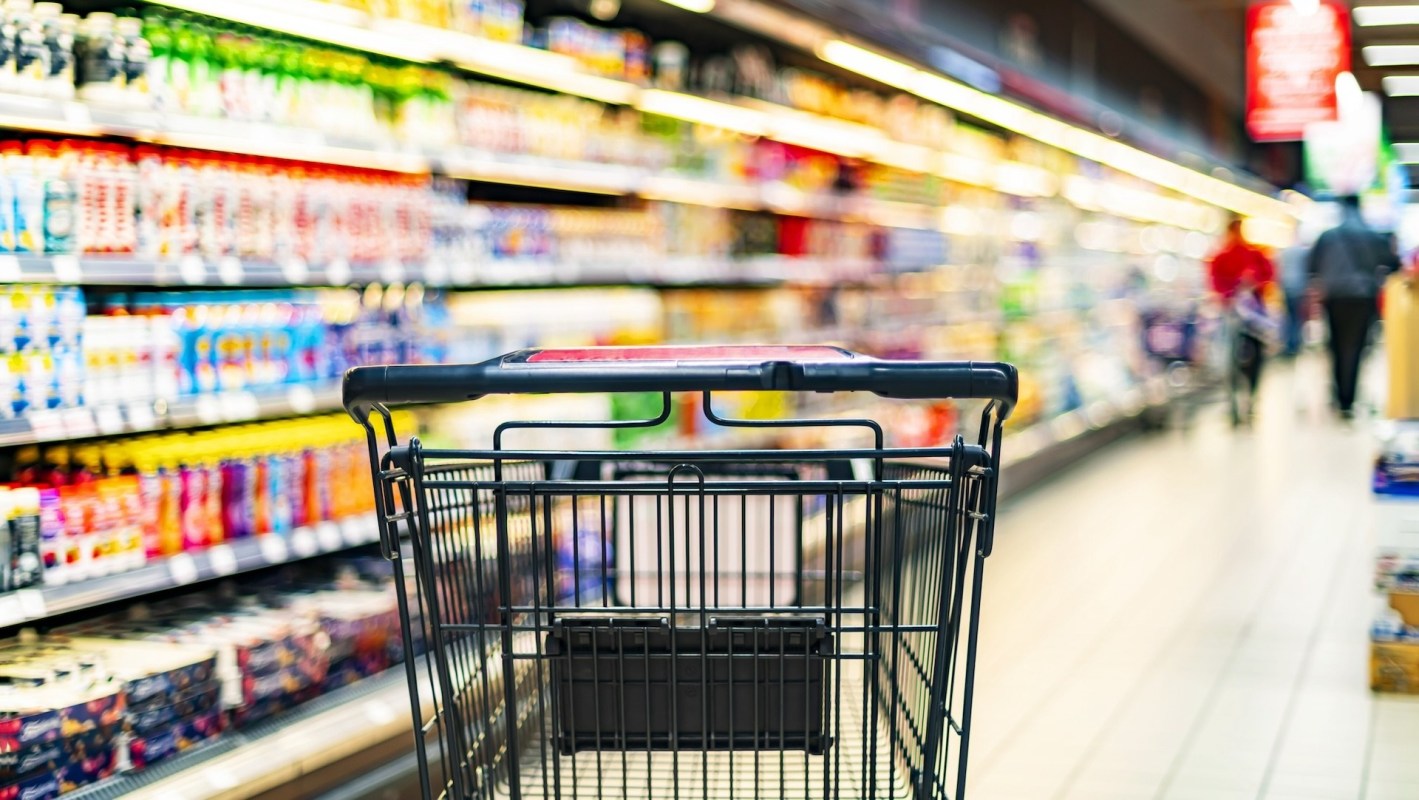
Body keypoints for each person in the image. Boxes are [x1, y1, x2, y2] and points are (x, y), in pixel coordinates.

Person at [1306, 195, 1399, 420]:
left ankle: (1340, 396)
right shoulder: (1372, 235)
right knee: (1355, 347)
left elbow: (1312, 266)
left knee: (1336, 346)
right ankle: (1349, 398)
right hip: (1362, 297)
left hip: (1335, 297)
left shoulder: (1327, 237)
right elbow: (1392, 264)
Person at [1207, 217, 1276, 426]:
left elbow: (1268, 277)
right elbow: (1216, 284)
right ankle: (1238, 404)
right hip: (1233, 318)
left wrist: (1253, 285)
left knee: (1249, 361)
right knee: (1232, 363)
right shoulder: (1226, 256)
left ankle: (1248, 401)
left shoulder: (1253, 254)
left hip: (1252, 321)